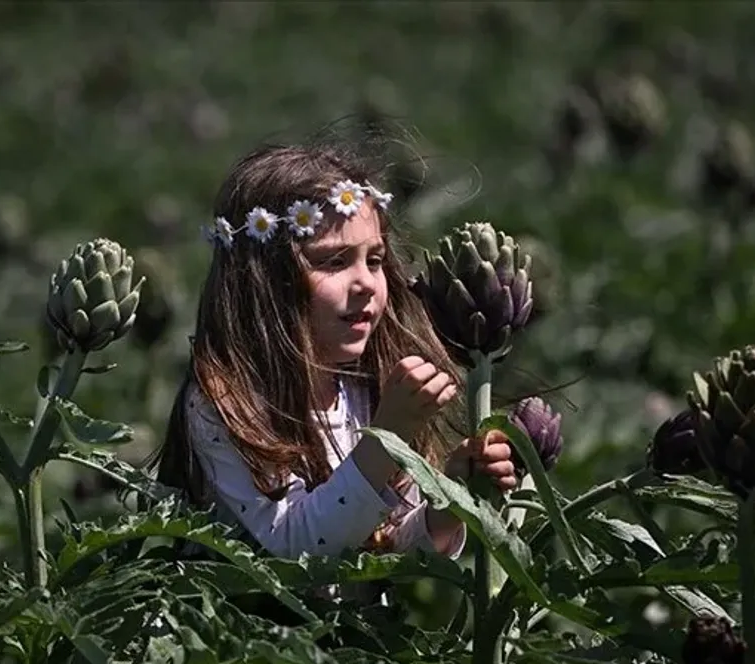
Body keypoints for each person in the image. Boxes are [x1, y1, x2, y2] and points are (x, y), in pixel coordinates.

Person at [149, 137, 516, 576]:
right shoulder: (223, 404)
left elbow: (386, 549)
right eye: (335, 262)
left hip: (342, 642)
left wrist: (451, 497)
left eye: (375, 261)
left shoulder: (364, 387)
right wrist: (388, 437)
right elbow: (297, 548)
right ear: (267, 282)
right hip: (245, 639)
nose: (366, 283)